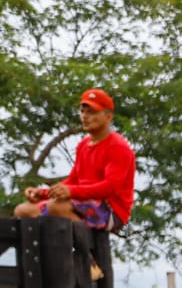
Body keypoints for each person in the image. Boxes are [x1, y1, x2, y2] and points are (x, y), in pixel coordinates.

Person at [14, 88, 136, 232]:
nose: (85, 116)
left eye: (92, 112)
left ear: (108, 117)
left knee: (56, 207)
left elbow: (110, 188)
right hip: (81, 202)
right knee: (23, 211)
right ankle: (44, 253)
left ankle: (88, 253)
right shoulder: (83, 145)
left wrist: (71, 192)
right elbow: (73, 180)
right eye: (83, 112)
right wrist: (44, 193)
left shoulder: (118, 147)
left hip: (111, 210)